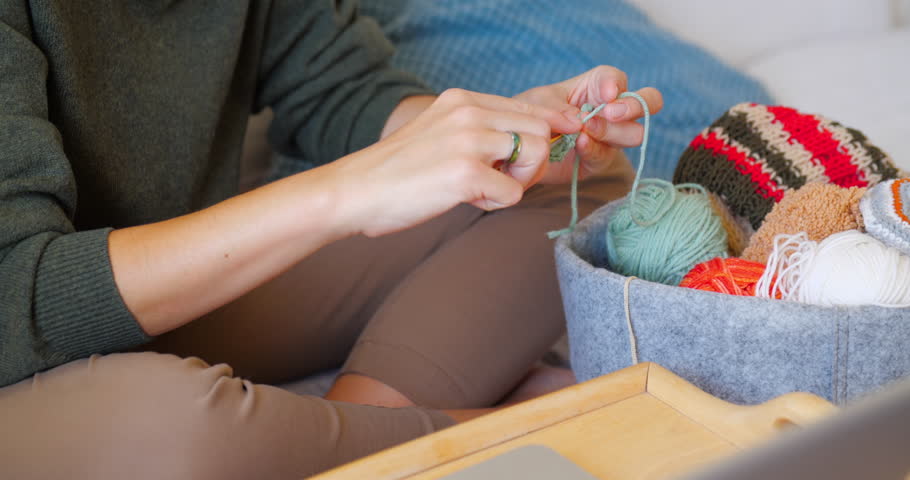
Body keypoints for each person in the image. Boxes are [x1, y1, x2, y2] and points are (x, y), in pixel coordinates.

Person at [0, 1, 661, 478]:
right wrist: (348, 193)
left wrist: (501, 141)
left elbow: (343, 90)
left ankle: (361, 436)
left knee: (560, 191)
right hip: (21, 343)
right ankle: (509, 423)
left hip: (170, 301)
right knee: (173, 429)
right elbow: (21, 293)